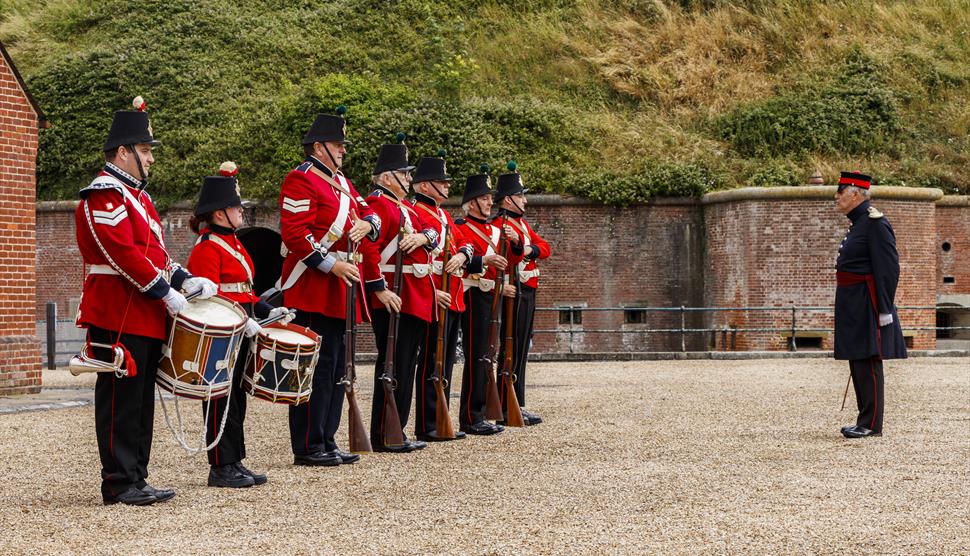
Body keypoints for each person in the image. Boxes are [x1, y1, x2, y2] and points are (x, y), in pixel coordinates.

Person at [75, 96, 217, 505]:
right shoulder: (104, 194)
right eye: (146, 150)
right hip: (119, 310)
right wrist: (163, 291)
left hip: (143, 311)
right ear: (124, 151)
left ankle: (136, 475)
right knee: (120, 400)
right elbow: (122, 252)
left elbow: (155, 253)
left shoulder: (136, 197)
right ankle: (119, 482)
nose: (151, 159)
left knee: (139, 401)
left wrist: (185, 279)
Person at [278, 106, 383, 466]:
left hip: (340, 288)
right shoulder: (301, 179)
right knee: (315, 369)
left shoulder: (342, 181)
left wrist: (368, 226)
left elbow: (368, 210)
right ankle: (308, 444)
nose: (343, 150)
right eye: (338, 144)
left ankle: (327, 437)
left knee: (337, 367)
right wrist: (332, 264)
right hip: (313, 285)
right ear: (319, 146)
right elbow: (296, 233)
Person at [186, 161, 294, 487]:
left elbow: (244, 291)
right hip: (224, 333)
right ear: (220, 213)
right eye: (235, 207)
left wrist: (268, 309)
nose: (240, 213)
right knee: (221, 399)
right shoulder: (207, 248)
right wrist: (243, 319)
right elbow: (210, 297)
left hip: (241, 328)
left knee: (237, 398)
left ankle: (235, 460)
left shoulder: (233, 243)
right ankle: (220, 465)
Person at [365, 135, 436, 452]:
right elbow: (368, 248)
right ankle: (385, 433)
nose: (410, 179)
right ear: (387, 177)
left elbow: (434, 231)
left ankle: (398, 429)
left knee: (406, 364)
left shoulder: (403, 207)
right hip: (397, 296)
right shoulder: (379, 204)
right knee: (393, 365)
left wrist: (421, 237)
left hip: (413, 297)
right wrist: (379, 289)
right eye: (404, 173)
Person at [833, 171, 907, 438]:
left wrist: (885, 308)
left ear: (855, 193)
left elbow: (888, 269)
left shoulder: (875, 223)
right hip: (853, 301)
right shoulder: (859, 223)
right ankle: (864, 419)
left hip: (867, 301)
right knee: (857, 359)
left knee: (868, 359)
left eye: (840, 192)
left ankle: (872, 424)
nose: (836, 197)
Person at [410, 151, 474, 442]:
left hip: (453, 294)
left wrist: (461, 254)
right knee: (430, 362)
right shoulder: (416, 212)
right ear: (424, 186)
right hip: (433, 295)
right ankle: (428, 423)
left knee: (445, 362)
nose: (447, 187)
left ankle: (441, 416)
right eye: (441, 182)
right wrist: (431, 292)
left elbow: (466, 244)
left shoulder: (443, 214)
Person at [453, 165, 520, 436]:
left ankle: (479, 411)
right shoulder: (462, 227)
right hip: (473, 294)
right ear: (471, 203)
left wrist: (515, 244)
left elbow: (511, 261)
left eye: (490, 198)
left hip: (490, 296)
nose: (489, 201)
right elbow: (463, 261)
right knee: (476, 354)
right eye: (483, 198)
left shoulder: (494, 229)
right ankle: (471, 415)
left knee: (486, 355)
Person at [494, 161, 550, 426]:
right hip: (513, 292)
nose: (525, 200)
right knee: (510, 347)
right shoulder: (501, 225)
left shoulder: (521, 225)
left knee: (521, 347)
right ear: (508, 199)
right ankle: (506, 402)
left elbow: (544, 248)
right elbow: (508, 259)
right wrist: (523, 247)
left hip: (527, 288)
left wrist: (527, 248)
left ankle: (518, 400)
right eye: (520, 196)